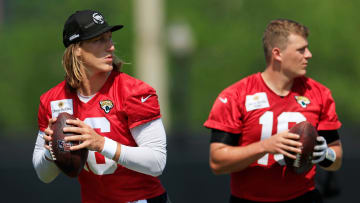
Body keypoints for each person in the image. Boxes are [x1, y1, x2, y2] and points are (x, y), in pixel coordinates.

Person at [32, 9, 170, 203]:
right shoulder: (53, 100)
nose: (111, 47)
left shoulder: (134, 92)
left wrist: (101, 143)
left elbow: (156, 162)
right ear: (77, 48)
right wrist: (51, 149)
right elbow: (43, 175)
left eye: (110, 38)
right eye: (99, 40)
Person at [204, 19, 343, 203]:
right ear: (277, 54)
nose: (308, 55)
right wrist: (265, 146)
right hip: (249, 199)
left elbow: (337, 159)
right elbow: (217, 162)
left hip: (303, 197)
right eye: (301, 50)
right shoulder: (236, 95)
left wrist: (325, 154)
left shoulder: (319, 94)